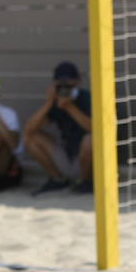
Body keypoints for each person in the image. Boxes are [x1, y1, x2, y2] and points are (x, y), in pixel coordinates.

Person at [23, 61, 93, 195]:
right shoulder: (55, 101)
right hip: (67, 157)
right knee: (31, 138)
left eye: (68, 83)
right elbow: (29, 129)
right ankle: (57, 179)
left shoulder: (86, 98)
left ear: (77, 81)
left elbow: (92, 128)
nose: (64, 87)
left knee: (90, 140)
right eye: (60, 83)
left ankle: (85, 182)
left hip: (86, 160)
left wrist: (69, 107)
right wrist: (49, 103)